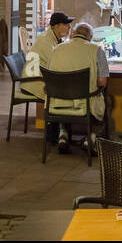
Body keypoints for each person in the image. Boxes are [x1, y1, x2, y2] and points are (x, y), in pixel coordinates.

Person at [49, 22, 109, 149]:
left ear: (73, 34)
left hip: (57, 103)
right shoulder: (98, 50)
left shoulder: (57, 49)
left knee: (66, 93)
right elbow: (103, 82)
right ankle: (91, 138)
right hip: (84, 105)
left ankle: (63, 134)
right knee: (105, 100)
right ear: (90, 37)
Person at [27, 12, 73, 151]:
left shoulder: (55, 38)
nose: (69, 27)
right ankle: (58, 131)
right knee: (65, 91)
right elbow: (54, 66)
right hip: (35, 79)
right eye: (66, 24)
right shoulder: (46, 41)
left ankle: (61, 130)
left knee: (67, 88)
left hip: (45, 76)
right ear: (57, 26)